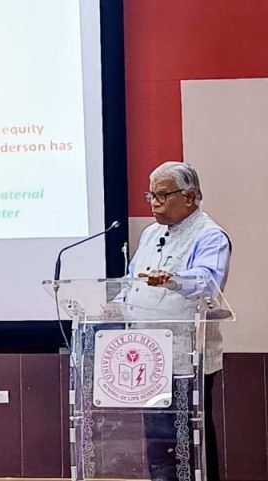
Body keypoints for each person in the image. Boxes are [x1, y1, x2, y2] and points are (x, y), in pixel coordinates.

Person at [128, 161, 231, 481]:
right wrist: (114, 308)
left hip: (186, 356)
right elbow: (132, 282)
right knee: (159, 442)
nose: (154, 203)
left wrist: (173, 280)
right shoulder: (151, 234)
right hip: (149, 353)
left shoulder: (210, 236)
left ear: (190, 196)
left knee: (187, 440)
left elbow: (207, 281)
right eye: (151, 195)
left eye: (162, 195)